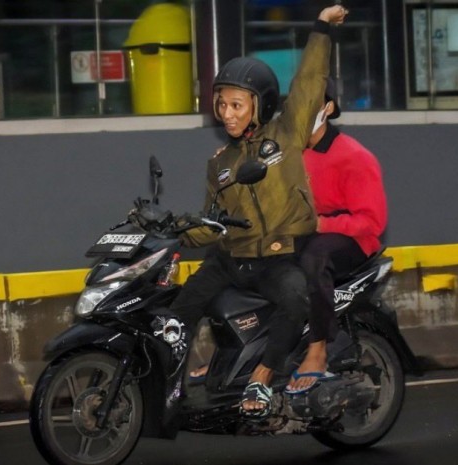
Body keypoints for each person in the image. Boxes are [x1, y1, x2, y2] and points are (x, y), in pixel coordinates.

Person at [166, 5, 349, 419]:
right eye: (221, 105)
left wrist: (322, 29)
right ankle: (172, 382)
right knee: (181, 308)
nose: (227, 114)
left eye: (236, 105)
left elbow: (308, 82)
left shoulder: (287, 132)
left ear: (259, 105)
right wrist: (174, 231)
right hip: (233, 258)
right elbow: (213, 223)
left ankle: (262, 376)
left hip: (278, 256)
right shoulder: (221, 163)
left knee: (295, 298)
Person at [285, 77, 388, 394]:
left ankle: (318, 350)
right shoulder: (291, 153)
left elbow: (373, 222)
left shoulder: (355, 156)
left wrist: (322, 225)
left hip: (352, 239)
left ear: (327, 108)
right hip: (308, 232)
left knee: (315, 258)